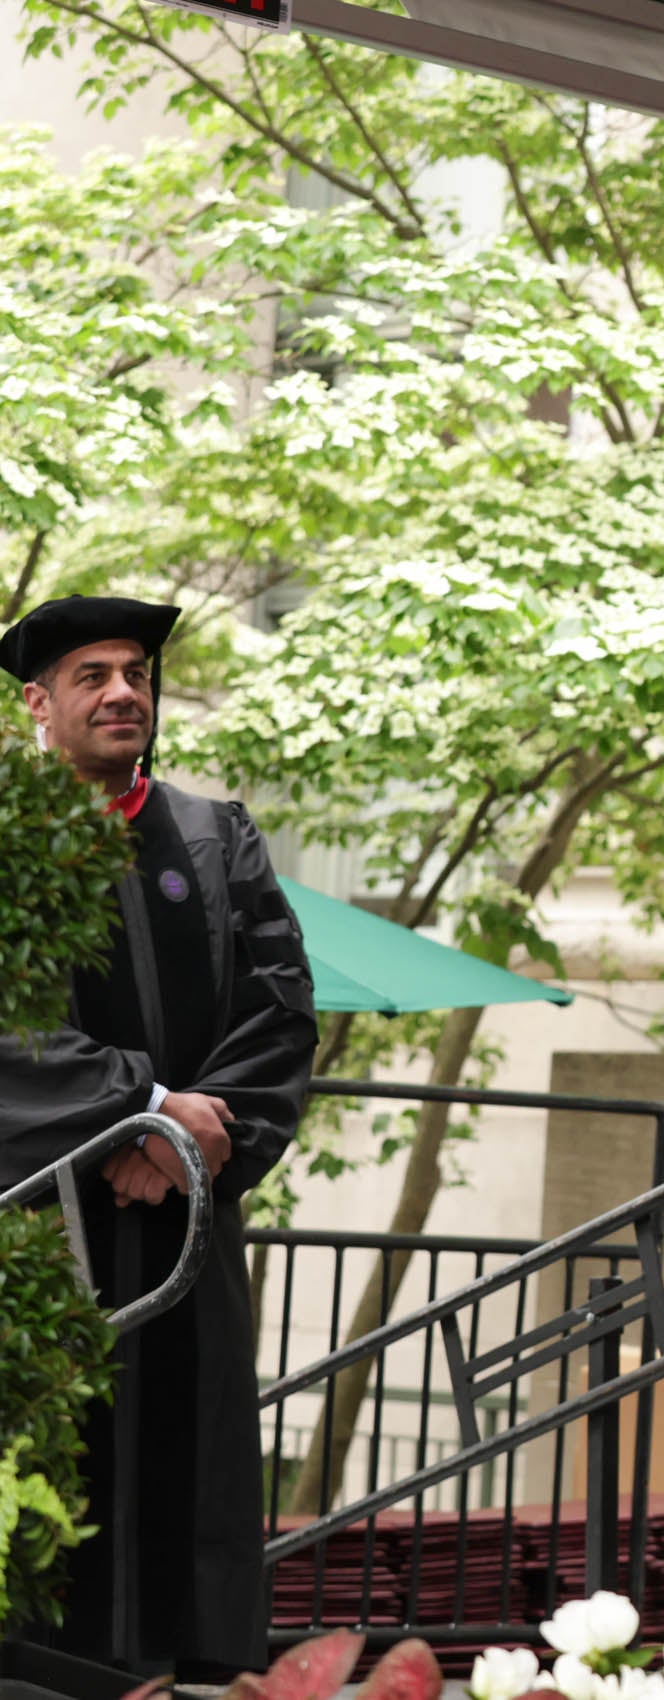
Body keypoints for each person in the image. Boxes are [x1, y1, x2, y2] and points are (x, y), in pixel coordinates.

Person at [0, 594, 315, 1675]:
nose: (124, 690)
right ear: (40, 703)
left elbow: (280, 1013)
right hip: (42, 1237)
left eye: (136, 670)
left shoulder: (214, 835)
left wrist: (189, 1138)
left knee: (193, 1479)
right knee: (46, 1487)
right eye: (92, 674)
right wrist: (140, 1103)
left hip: (185, 1235)